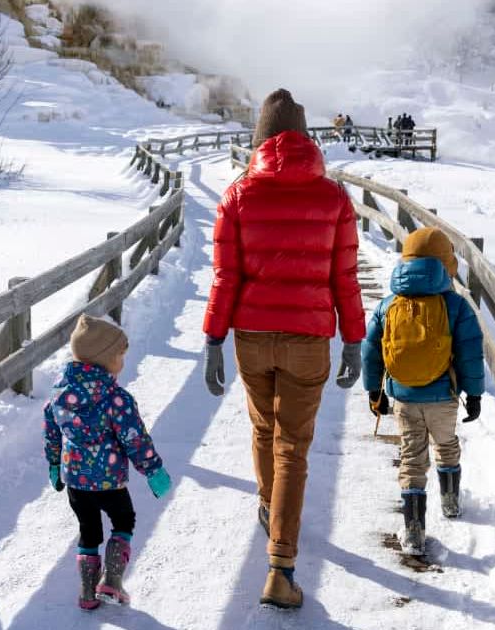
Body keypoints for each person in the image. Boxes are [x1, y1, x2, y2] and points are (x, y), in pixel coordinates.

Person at [202, 88, 365, 609]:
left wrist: (213, 339)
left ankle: (270, 508)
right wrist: (355, 341)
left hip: (252, 336)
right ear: (304, 138)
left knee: (263, 429)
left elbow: (225, 277)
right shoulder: (333, 197)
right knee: (292, 446)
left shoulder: (239, 195)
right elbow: (346, 278)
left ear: (261, 139)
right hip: (309, 339)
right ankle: (280, 566)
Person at [360, 227, 484, 557]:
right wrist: (474, 394)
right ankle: (450, 501)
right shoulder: (456, 307)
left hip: (404, 396)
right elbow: (471, 352)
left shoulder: (389, 305)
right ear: (446, 264)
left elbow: (371, 350)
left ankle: (414, 532)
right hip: (443, 396)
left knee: (412, 459)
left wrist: (375, 391)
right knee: (446, 443)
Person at [44, 314, 173, 610]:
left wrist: (54, 464)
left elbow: (51, 432)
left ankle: (88, 593)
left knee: (88, 531)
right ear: (103, 360)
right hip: (109, 481)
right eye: (119, 356)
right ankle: (112, 581)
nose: (122, 363)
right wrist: (153, 471)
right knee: (123, 521)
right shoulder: (116, 398)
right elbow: (135, 439)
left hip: (76, 480)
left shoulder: (58, 394)